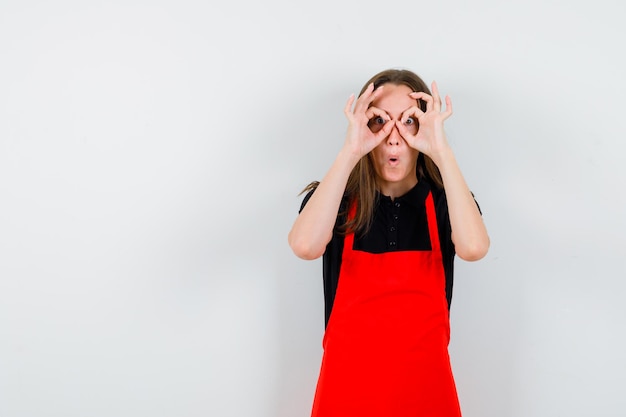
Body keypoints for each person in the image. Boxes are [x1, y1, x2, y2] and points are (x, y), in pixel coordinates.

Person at [288, 69, 490, 417]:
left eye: (409, 121)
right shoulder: (337, 200)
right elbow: (305, 246)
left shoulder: (444, 203)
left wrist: (442, 152)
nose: (393, 138)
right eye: (379, 121)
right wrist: (350, 151)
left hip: (427, 397)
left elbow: (474, 248)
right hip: (346, 397)